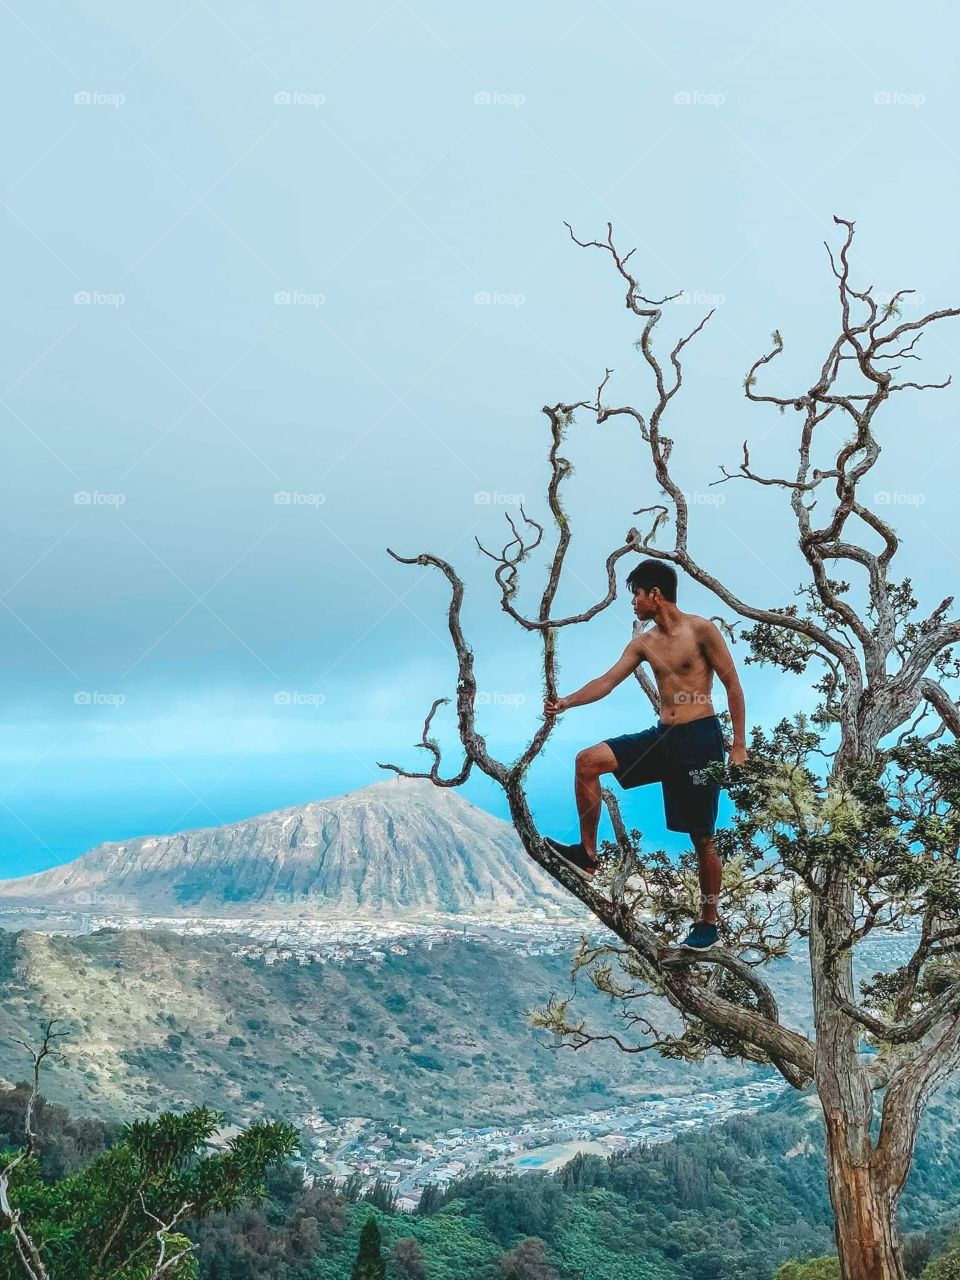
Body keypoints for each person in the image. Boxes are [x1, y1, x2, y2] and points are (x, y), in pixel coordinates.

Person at [543, 559, 747, 951]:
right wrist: (566, 701)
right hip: (661, 737)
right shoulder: (644, 643)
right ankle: (587, 854)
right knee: (587, 762)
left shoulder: (701, 630)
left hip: (700, 740)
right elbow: (608, 680)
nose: (633, 602)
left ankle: (708, 922)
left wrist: (738, 746)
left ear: (656, 594)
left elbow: (732, 685)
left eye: (636, 593)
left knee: (702, 837)